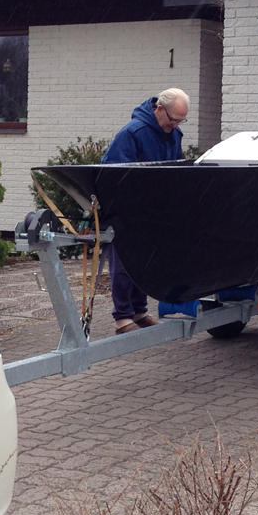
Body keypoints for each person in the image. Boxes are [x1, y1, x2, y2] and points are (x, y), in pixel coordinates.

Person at [101, 88, 189, 333]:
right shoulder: (132, 133)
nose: (175, 125)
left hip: (153, 212)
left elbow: (176, 171)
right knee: (123, 266)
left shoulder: (174, 134)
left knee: (145, 264)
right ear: (159, 109)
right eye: (173, 119)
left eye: (181, 121)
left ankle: (139, 312)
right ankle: (122, 318)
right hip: (126, 212)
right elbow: (112, 174)